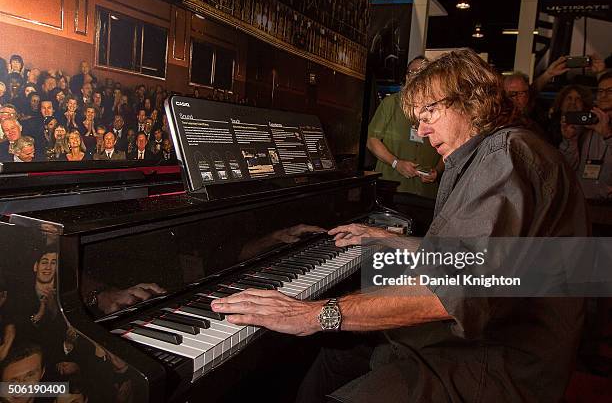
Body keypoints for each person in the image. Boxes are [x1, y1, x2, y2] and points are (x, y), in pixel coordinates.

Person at [211, 49, 588, 402]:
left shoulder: (503, 156)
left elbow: (455, 288)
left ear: (471, 99)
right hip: (492, 332)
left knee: (337, 341)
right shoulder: (496, 151)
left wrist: (313, 314)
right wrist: (388, 239)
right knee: (336, 356)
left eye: (429, 114)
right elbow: (485, 260)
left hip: (497, 355)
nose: (421, 132)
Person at [366, 56, 443, 199]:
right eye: (412, 72)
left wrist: (437, 171)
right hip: (392, 189)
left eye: (422, 72)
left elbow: (447, 147)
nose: (416, 76)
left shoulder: (438, 109)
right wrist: (396, 163)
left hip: (426, 193)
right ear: (406, 77)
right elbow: (372, 140)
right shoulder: (391, 103)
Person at [559, 71, 612, 199]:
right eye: (600, 91)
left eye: (610, 91)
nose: (604, 95)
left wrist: (608, 135)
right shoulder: (587, 126)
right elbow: (568, 168)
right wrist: (569, 140)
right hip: (583, 203)